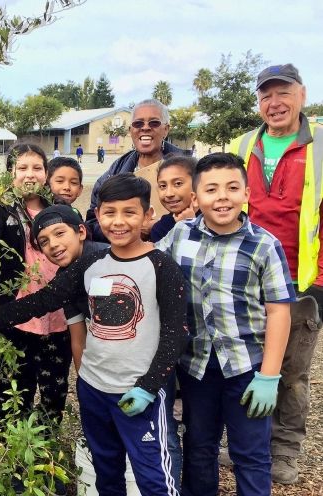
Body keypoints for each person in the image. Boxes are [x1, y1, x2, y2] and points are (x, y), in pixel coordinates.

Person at [0, 173, 188, 496]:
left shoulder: (162, 267)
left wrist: (150, 387)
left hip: (138, 391)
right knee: (106, 472)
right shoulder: (90, 263)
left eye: (129, 212)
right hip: (95, 390)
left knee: (154, 480)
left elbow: (176, 333)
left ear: (148, 215)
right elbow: (46, 299)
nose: (118, 222)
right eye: (109, 213)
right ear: (97, 216)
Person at [156, 153, 295, 496]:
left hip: (247, 368)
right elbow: (145, 268)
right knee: (200, 447)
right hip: (196, 366)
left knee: (250, 453)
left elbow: (279, 311)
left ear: (247, 194)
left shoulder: (264, 244)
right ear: (196, 198)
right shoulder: (179, 236)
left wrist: (269, 376)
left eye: (233, 188)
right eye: (211, 189)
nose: (222, 197)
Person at [230, 63, 323, 485]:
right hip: (250, 278)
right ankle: (253, 442)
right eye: (266, 95)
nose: (274, 103)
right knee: (253, 363)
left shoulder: (320, 146)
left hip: (303, 281)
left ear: (302, 95)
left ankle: (285, 449)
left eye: (283, 93)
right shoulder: (244, 143)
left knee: (293, 373)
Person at [0, 143, 79, 495]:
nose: (30, 174)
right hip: (14, 320)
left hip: (59, 320)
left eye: (36, 167)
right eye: (22, 168)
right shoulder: (0, 212)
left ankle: (43, 463)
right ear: (11, 174)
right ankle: (12, 465)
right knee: (12, 392)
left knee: (53, 393)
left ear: (45, 173)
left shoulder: (61, 211)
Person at [86, 99, 183, 242]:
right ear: (131, 130)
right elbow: (93, 222)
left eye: (154, 123)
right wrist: (126, 229)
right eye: (138, 123)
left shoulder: (189, 170)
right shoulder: (113, 173)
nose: (145, 128)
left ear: (166, 129)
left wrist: (162, 226)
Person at [28, 204, 108, 370]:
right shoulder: (64, 279)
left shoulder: (109, 259)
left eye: (59, 233)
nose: (53, 244)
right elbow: (78, 338)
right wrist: (83, 384)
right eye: (44, 242)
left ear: (81, 232)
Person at [150, 155, 197, 242]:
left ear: (196, 184)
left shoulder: (214, 219)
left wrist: (190, 224)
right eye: (163, 186)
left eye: (178, 183)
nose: (169, 194)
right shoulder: (160, 229)